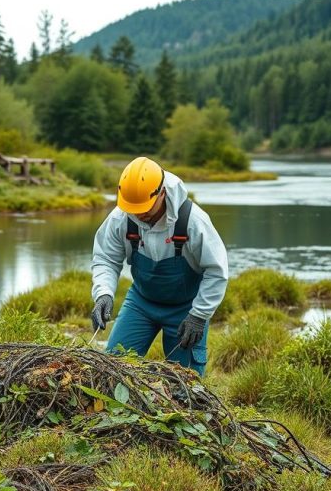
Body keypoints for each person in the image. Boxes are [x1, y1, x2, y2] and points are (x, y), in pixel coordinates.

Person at [90, 157, 228, 375]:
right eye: (133, 208)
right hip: (141, 303)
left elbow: (216, 270)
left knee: (185, 384)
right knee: (112, 369)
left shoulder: (193, 221)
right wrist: (104, 293)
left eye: (144, 207)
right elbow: (106, 258)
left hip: (186, 309)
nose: (138, 214)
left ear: (161, 192)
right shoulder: (121, 218)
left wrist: (199, 315)